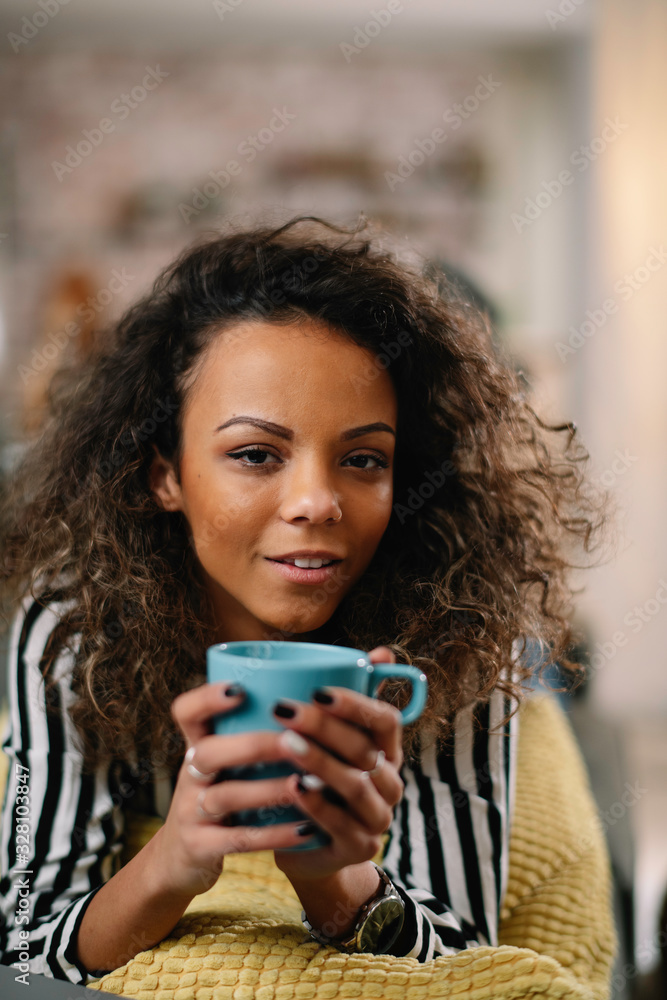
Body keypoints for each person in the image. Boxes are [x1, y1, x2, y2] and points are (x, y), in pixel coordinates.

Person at [0, 215, 612, 984]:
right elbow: (22, 949)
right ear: (164, 475)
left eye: (363, 459)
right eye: (256, 454)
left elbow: (467, 967)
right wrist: (171, 862)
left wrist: (338, 885)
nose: (317, 502)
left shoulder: (453, 632)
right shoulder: (74, 626)